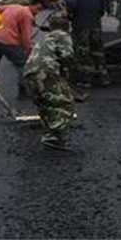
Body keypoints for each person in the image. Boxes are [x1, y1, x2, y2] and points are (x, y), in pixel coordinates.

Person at [23, 15, 75, 150]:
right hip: (46, 73)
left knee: (44, 103)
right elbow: (67, 56)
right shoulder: (63, 35)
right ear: (67, 28)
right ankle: (54, 136)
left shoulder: (46, 39)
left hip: (30, 74)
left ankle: (49, 133)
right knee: (63, 103)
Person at [0, 0, 43, 100]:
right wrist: (27, 50)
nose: (37, 12)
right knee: (22, 65)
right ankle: (23, 91)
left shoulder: (13, 6)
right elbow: (26, 36)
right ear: (30, 5)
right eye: (37, 8)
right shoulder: (27, 15)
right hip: (9, 42)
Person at [64, 0, 110, 88]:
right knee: (98, 52)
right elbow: (102, 11)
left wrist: (69, 15)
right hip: (96, 27)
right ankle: (103, 79)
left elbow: (70, 7)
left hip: (81, 28)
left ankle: (86, 80)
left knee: (83, 53)